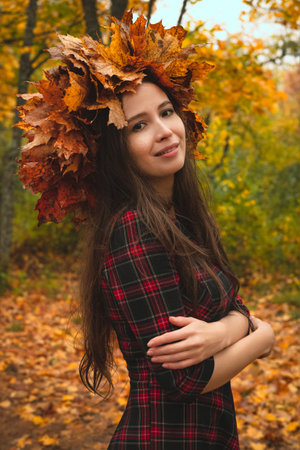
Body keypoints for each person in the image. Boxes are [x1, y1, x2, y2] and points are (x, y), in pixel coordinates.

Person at [17, 11, 274, 450]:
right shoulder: (133, 230)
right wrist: (262, 335)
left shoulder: (181, 221)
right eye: (139, 125)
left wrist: (225, 330)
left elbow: (233, 306)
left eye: (166, 112)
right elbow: (186, 379)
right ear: (115, 150)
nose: (164, 132)